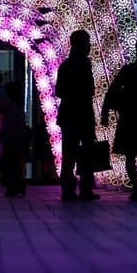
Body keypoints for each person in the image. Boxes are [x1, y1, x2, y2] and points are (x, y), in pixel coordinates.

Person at [101, 39, 137, 201]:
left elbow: (112, 90)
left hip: (134, 115)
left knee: (136, 154)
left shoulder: (133, 70)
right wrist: (105, 112)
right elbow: (113, 90)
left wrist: (106, 112)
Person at [55, 30, 100, 201]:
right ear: (79, 44)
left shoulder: (67, 65)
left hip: (69, 115)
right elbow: (87, 91)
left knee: (70, 153)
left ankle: (69, 189)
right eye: (87, 43)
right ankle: (83, 189)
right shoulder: (81, 65)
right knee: (83, 152)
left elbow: (59, 91)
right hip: (80, 114)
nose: (89, 47)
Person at [0, 81, 30, 197]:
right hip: (17, 139)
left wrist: (4, 132)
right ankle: (17, 186)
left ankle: (14, 186)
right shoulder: (17, 106)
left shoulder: (11, 106)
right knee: (15, 163)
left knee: (11, 163)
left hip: (12, 139)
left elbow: (9, 123)